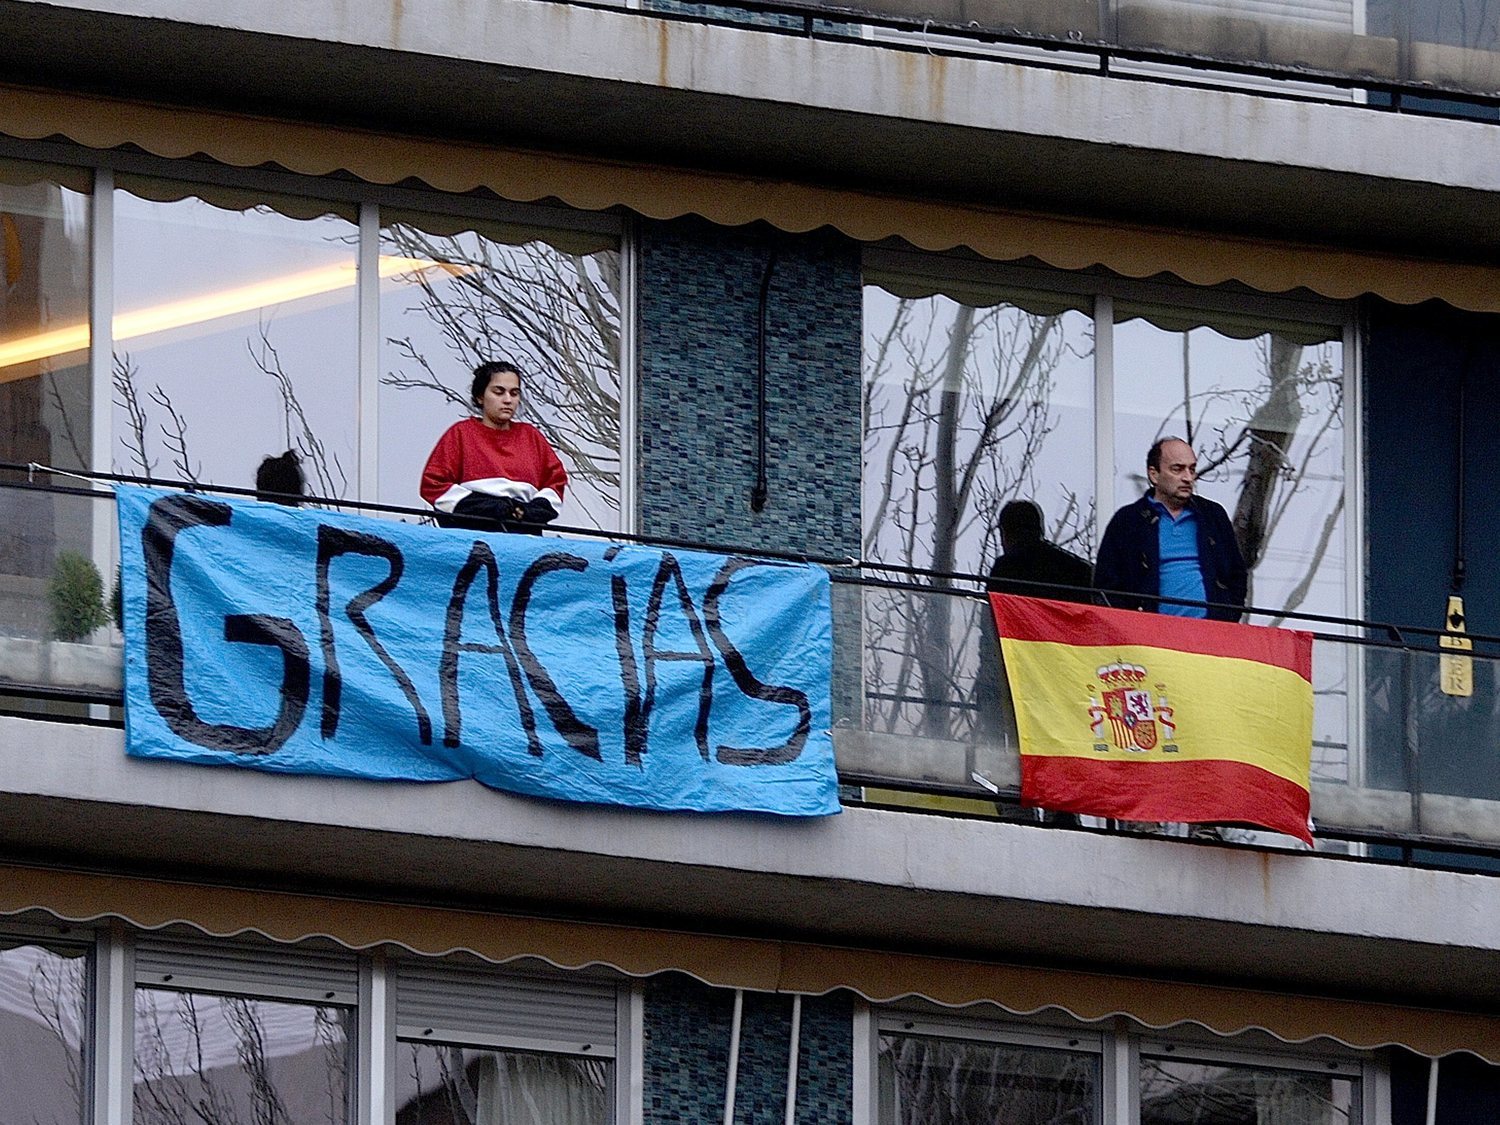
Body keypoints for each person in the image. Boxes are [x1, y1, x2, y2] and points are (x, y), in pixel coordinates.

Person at [1094, 436, 1247, 622]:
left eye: (1192, 469)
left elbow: (1237, 574)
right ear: (1154, 474)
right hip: (1151, 641)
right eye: (1177, 469)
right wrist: (1132, 629)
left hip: (1212, 639)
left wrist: (1227, 618)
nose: (1188, 478)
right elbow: (1106, 588)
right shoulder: (1128, 521)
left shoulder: (1213, 515)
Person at [419, 361, 568, 533]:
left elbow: (556, 481)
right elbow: (433, 484)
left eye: (514, 393)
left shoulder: (531, 436)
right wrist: (488, 507)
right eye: (498, 392)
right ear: (480, 397)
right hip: (473, 533)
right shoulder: (461, 434)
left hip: (524, 535)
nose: (508, 400)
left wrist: (533, 511)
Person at [986, 500, 1093, 603]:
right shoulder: (1080, 571)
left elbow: (990, 613)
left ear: (1005, 533)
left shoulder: (1005, 569)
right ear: (1040, 530)